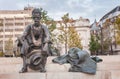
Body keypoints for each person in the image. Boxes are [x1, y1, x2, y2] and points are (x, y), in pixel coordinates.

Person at [19, 8, 50, 73]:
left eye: (38, 17)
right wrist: (22, 40)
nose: (36, 19)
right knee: (24, 44)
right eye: (35, 17)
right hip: (31, 45)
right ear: (33, 18)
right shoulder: (29, 27)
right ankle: (24, 67)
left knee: (46, 47)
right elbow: (23, 35)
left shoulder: (44, 27)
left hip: (41, 44)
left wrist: (46, 43)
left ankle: (43, 67)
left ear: (40, 18)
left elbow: (48, 36)